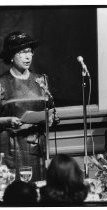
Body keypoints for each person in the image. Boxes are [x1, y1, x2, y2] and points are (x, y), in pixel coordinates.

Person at [0, 31, 53, 181]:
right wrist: (8, 120)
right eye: (22, 52)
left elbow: (50, 111)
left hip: (36, 148)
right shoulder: (2, 83)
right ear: (11, 55)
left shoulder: (40, 80)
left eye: (30, 51)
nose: (28, 56)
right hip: (10, 149)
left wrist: (50, 118)